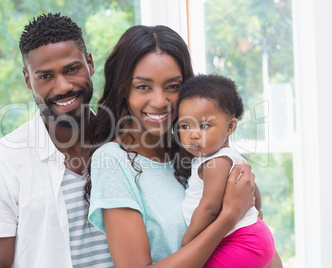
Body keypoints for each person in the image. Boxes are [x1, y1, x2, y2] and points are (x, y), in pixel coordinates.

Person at [86, 25, 257, 267]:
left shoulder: (201, 150)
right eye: (143, 86)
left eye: (173, 87)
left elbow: (252, 232)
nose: (159, 101)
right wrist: (228, 217)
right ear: (124, 89)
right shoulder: (113, 161)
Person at [0, 13, 113, 267]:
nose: (63, 86)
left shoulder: (126, 145)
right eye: (45, 76)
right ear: (27, 79)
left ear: (90, 63)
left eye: (72, 69)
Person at [175, 74, 276, 267]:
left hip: (240, 242)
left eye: (204, 126)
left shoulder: (216, 163)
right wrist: (258, 211)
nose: (193, 134)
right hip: (251, 235)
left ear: (230, 127)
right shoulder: (226, 157)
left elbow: (209, 208)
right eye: (185, 126)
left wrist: (188, 242)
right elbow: (252, 188)